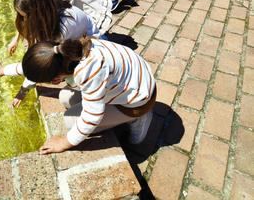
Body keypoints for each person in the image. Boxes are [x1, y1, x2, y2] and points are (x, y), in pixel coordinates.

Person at [20, 37, 156, 154]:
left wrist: (65, 142)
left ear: (56, 79)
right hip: (135, 78)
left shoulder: (89, 72)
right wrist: (2, 71)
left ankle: (136, 118)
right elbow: (34, 67)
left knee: (70, 121)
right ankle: (121, 113)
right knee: (65, 97)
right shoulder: (69, 49)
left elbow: (92, 116)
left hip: (139, 100)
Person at [0, 0, 102, 106]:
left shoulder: (62, 31)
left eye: (25, 17)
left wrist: (4, 74)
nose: (23, 20)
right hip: (78, 44)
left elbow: (38, 66)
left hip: (90, 52)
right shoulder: (52, 9)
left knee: (65, 85)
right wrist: (16, 38)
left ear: (39, 15)